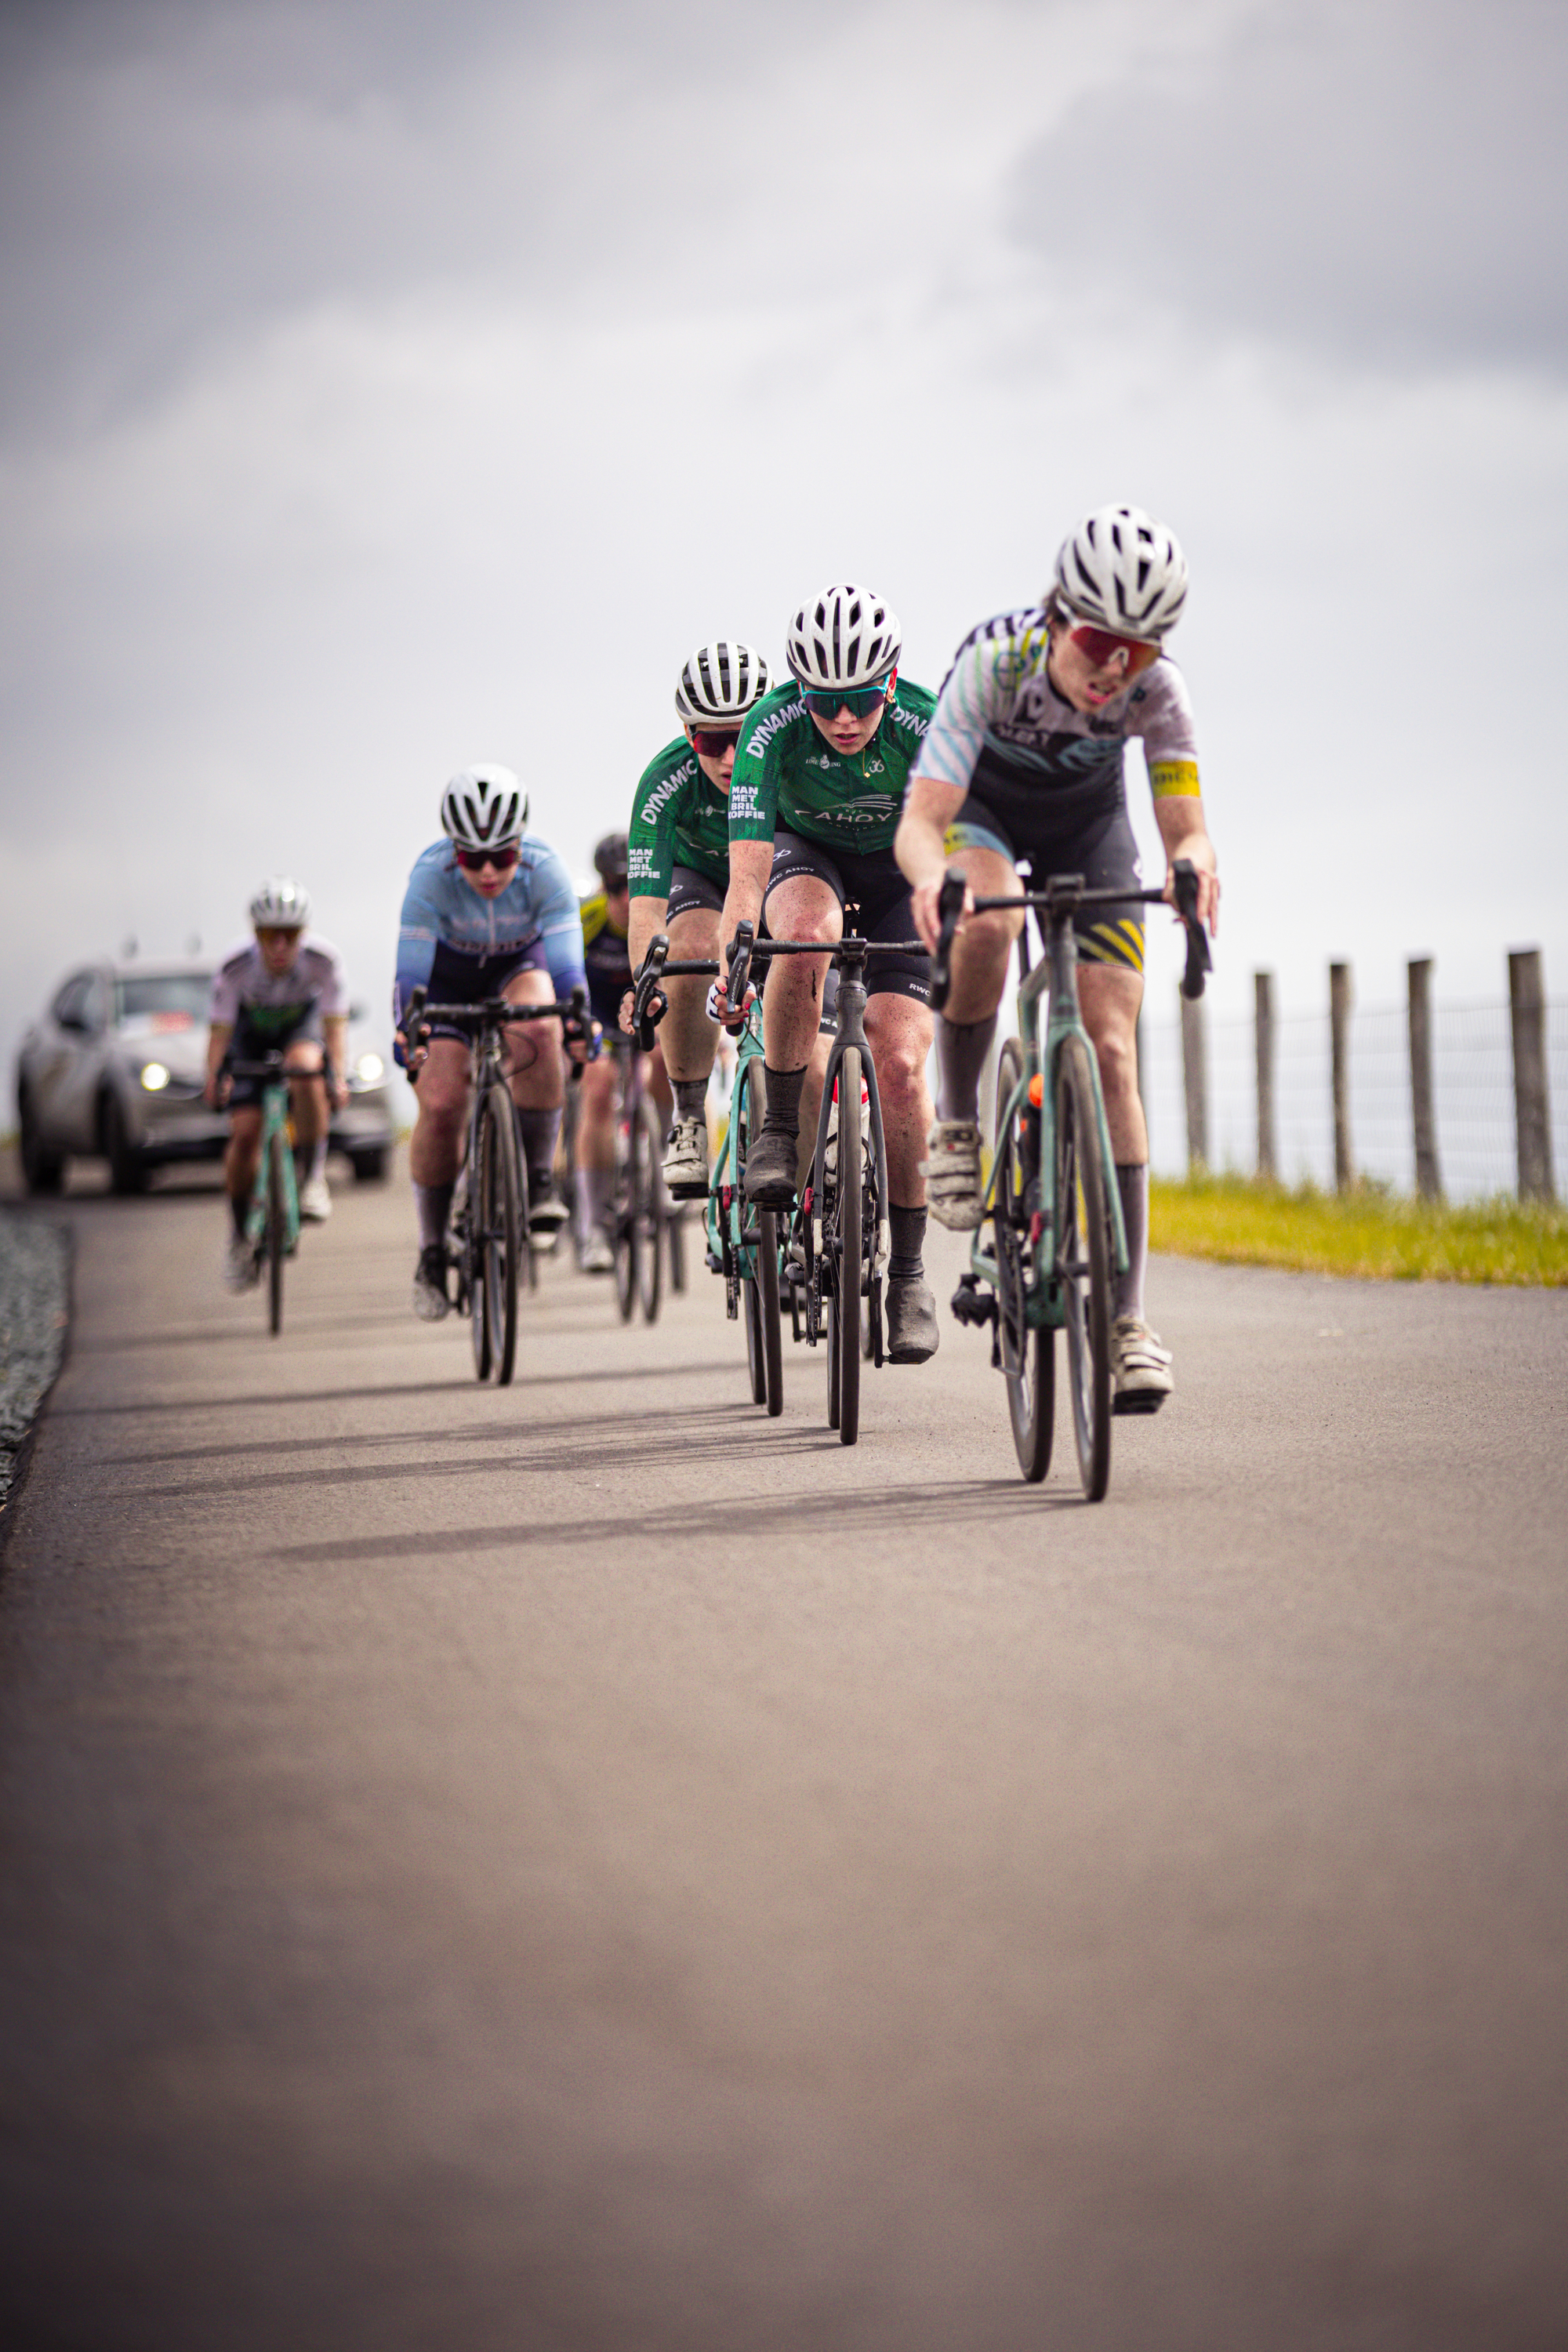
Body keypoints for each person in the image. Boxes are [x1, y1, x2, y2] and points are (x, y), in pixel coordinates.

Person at [895, 504, 1220, 1408]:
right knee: (989, 926)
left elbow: (1184, 826)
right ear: (1056, 613)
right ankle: (957, 1122)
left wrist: (1192, 869)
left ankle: (1126, 1321)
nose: (1113, 668)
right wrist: (934, 883)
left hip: (1088, 822)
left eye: (1139, 651)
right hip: (982, 812)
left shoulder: (1159, 697)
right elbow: (921, 823)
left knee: (1110, 1050)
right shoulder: (992, 666)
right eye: (1095, 640)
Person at [715, 583, 940, 1365]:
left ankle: (908, 1273)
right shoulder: (769, 727)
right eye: (823, 703)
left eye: (859, 701)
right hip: (806, 856)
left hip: (898, 872)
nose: (842, 720)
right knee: (802, 938)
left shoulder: (922, 721)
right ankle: (780, 1126)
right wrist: (738, 943)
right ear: (798, 691)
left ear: (889, 683)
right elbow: (744, 870)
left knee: (900, 1062)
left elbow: (955, 836)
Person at [393, 766, 589, 1321]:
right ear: (452, 850)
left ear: (519, 846)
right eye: (470, 858)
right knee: (442, 1104)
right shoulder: (429, 876)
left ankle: (538, 1177)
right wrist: (411, 1031)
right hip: (447, 981)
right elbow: (410, 976)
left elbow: (567, 965)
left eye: (500, 857)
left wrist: (575, 1020)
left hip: (514, 969)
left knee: (540, 1027)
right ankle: (432, 1251)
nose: (484, 870)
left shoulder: (545, 869)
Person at [626, 639, 774, 1203]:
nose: (731, 758)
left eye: (743, 737)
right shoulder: (664, 782)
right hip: (700, 881)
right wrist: (646, 982)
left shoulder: (786, 760)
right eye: (713, 740)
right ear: (690, 736)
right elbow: (645, 908)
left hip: (769, 875)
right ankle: (689, 1117)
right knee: (686, 948)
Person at [205, 879, 349, 1290]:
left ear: (303, 935)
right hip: (249, 1035)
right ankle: (237, 1235)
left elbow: (334, 1028)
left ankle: (313, 1178)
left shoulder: (323, 961)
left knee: (306, 1067)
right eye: (271, 935)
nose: (281, 946)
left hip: (298, 1033)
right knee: (245, 1134)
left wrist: (336, 1076)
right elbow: (220, 1032)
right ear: (257, 935)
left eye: (290, 935)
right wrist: (214, 1077)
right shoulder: (235, 967)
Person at [572, 830, 666, 1273]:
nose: (624, 899)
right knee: (597, 1086)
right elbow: (562, 976)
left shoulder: (662, 916)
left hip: (647, 1012)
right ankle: (593, 1226)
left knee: (667, 1062)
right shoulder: (586, 918)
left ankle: (666, 1154)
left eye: (633, 885)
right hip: (599, 1018)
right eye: (613, 888)